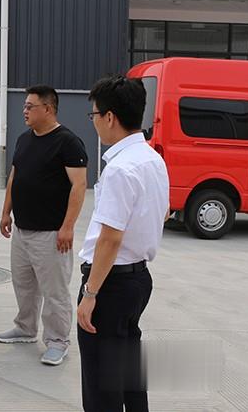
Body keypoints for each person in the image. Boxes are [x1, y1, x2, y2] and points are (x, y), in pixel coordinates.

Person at [77, 75, 169, 412]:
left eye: (94, 114)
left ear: (110, 117)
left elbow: (110, 238)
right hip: (138, 280)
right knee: (129, 374)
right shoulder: (152, 159)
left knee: (102, 385)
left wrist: (90, 294)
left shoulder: (120, 168)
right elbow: (163, 212)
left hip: (110, 285)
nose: (94, 122)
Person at [0, 85, 88, 366]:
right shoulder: (24, 139)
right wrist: (6, 212)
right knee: (23, 285)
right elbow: (14, 177)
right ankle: (25, 328)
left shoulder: (68, 142)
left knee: (54, 292)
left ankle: (57, 341)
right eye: (24, 106)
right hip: (22, 230)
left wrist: (68, 227)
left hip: (51, 233)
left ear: (48, 109)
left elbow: (79, 186)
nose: (24, 111)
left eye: (30, 106)